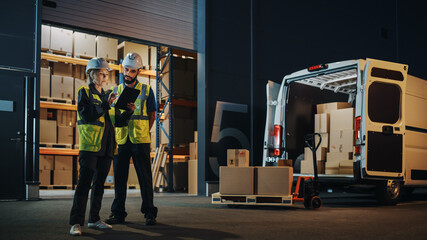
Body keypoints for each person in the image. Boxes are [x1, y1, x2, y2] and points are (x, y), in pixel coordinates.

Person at [69, 58, 135, 236]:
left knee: (99, 185)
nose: (105, 75)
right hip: (90, 146)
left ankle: (94, 219)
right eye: (101, 72)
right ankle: (76, 222)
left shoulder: (108, 96)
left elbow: (117, 123)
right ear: (91, 74)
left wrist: (128, 112)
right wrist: (106, 105)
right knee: (84, 184)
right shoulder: (84, 92)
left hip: (107, 148)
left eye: (106, 73)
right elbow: (88, 114)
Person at [106, 52, 158, 226]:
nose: (128, 73)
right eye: (126, 69)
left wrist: (144, 131)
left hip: (140, 140)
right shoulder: (115, 91)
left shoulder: (147, 90)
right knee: (120, 179)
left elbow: (152, 115)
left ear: (139, 72)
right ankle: (118, 213)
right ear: (122, 69)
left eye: (132, 71)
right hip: (121, 140)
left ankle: (150, 212)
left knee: (145, 178)